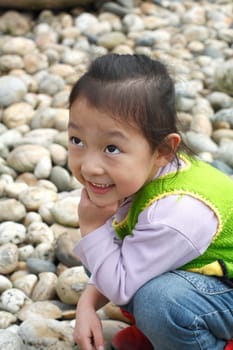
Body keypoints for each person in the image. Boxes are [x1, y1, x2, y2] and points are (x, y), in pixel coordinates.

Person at [68, 53, 233, 350]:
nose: (90, 166)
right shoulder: (144, 171)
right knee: (101, 254)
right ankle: (163, 335)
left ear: (163, 150)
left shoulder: (175, 214)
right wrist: (86, 305)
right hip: (203, 276)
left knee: (160, 302)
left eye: (111, 148)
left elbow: (119, 284)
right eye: (77, 141)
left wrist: (92, 227)